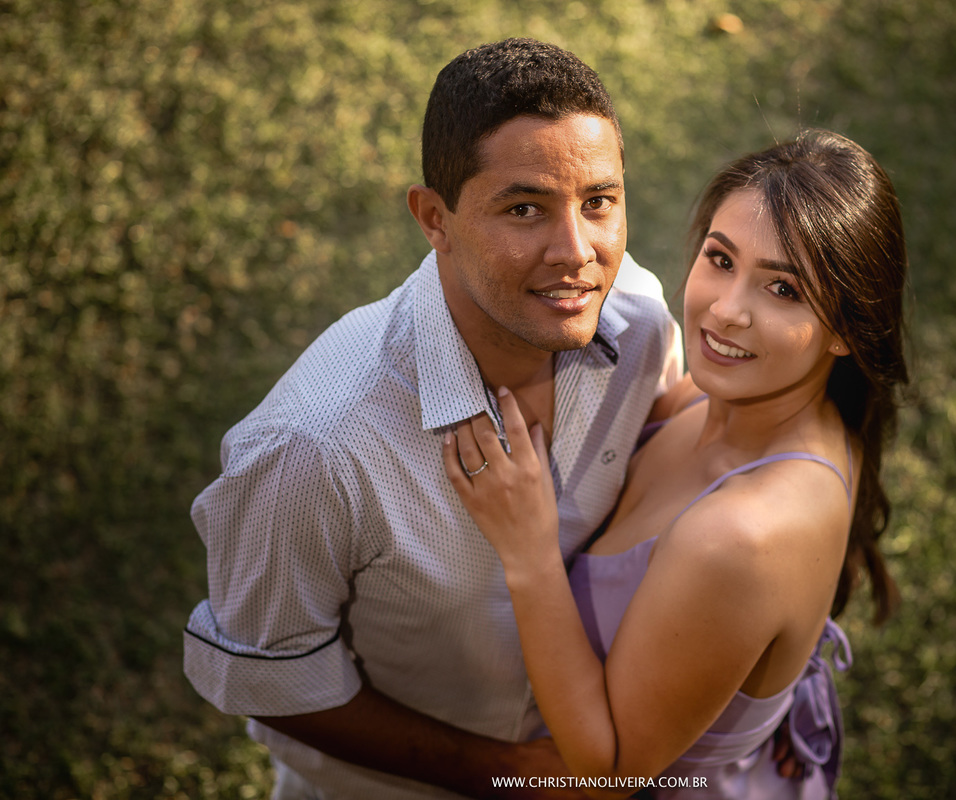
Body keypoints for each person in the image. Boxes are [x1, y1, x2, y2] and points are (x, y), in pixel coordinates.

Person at [183, 38, 685, 799]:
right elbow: (272, 678)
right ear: (433, 218)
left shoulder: (642, 322)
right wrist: (517, 778)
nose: (577, 253)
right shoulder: (313, 448)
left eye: (599, 202)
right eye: (525, 208)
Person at [443, 129, 909, 799]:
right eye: (721, 259)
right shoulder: (735, 403)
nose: (726, 311)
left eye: (783, 290)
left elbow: (610, 776)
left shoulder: (737, 538)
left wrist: (530, 554)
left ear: (845, 329)